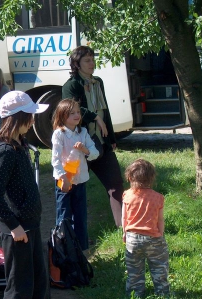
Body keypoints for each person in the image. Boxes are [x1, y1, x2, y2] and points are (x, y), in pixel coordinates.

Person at [0, 90, 49, 298]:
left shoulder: (19, 144)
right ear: (17, 117)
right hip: (18, 229)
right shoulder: (4, 150)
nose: (32, 121)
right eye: (29, 116)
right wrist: (14, 226)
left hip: (31, 224)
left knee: (39, 282)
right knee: (19, 287)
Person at [62, 45, 124, 227]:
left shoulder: (98, 82)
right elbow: (70, 108)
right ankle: (69, 233)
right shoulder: (71, 85)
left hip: (101, 143)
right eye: (87, 60)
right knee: (72, 188)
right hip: (79, 146)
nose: (92, 63)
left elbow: (105, 112)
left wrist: (111, 138)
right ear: (77, 64)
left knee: (115, 185)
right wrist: (94, 116)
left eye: (92, 59)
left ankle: (123, 229)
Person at [51, 99, 99, 251]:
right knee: (64, 215)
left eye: (78, 112)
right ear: (62, 116)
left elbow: (95, 153)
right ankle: (63, 248)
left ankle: (81, 250)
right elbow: (56, 159)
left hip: (80, 180)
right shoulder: (59, 134)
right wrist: (63, 178)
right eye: (72, 113)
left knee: (80, 216)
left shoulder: (82, 132)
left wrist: (86, 150)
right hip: (64, 181)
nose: (77, 115)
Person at [122, 158, 170, 298]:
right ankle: (162, 293)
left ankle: (135, 293)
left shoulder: (127, 195)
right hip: (154, 238)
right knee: (159, 267)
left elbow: (124, 218)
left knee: (134, 270)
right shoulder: (158, 197)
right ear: (152, 177)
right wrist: (160, 234)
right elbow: (160, 219)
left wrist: (125, 233)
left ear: (130, 177)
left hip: (132, 239)